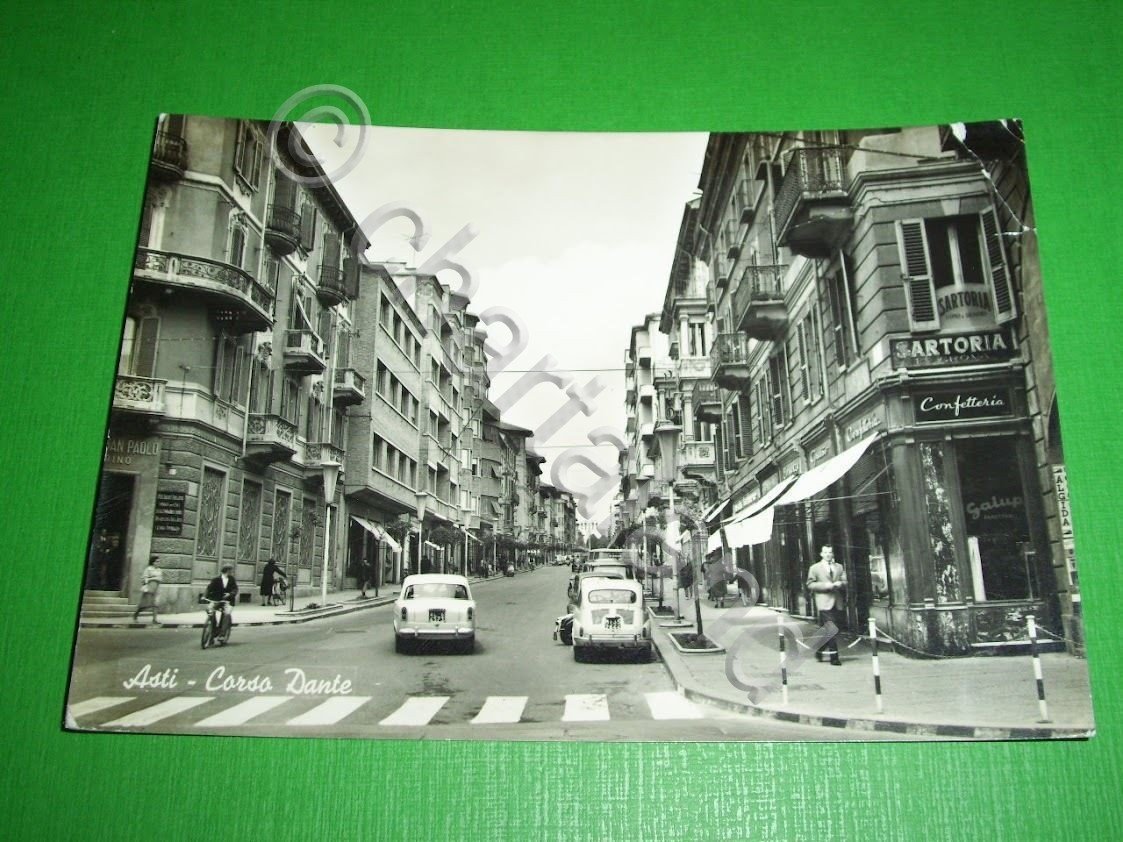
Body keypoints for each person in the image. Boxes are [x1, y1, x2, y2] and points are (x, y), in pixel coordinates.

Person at [806, 545, 847, 665]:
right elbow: (810, 584)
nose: (828, 554)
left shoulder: (839, 567)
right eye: (825, 552)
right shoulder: (815, 568)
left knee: (833, 628)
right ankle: (834, 658)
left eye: (830, 552)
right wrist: (825, 585)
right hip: (823, 602)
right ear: (821, 554)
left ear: (832, 554)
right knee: (831, 628)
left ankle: (819, 649)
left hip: (837, 602)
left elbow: (845, 581)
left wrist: (841, 583)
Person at [132, 556, 162, 623]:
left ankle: (154, 619)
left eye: (159, 561)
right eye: (157, 561)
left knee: (156, 604)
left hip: (157, 588)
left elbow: (160, 579)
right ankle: (136, 614)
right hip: (149, 587)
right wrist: (154, 578)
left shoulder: (159, 570)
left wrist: (156, 578)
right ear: (153, 562)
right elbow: (144, 578)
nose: (158, 563)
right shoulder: (148, 569)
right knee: (145, 604)